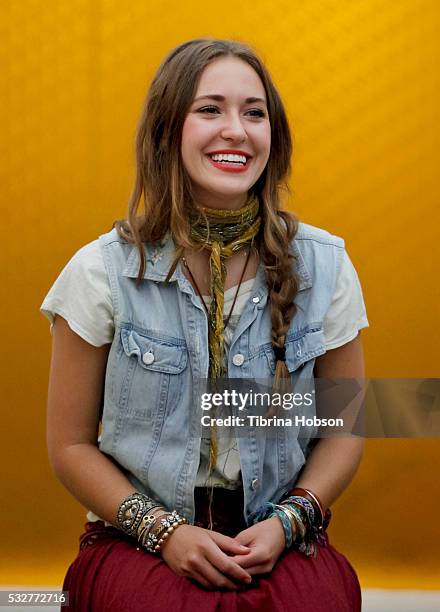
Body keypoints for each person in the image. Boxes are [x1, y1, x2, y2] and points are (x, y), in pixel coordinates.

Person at [41, 38, 368, 611]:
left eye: (254, 112)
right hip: (134, 536)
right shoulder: (100, 271)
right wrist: (165, 533)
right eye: (210, 109)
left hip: (278, 529)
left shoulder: (327, 266)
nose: (236, 131)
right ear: (168, 130)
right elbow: (69, 445)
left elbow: (344, 429)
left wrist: (289, 523)